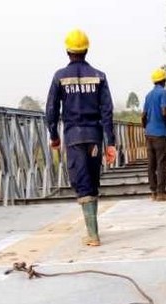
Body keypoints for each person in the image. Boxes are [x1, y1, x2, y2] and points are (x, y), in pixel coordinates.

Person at [46, 29, 116, 246]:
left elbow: (51, 109)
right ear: (86, 49)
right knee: (93, 180)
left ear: (68, 50)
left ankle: (93, 235)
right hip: (95, 136)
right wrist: (111, 143)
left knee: (81, 180)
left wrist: (54, 135)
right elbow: (107, 111)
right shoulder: (99, 76)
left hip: (74, 136)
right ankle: (92, 232)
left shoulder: (59, 77)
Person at [141, 68, 166, 202]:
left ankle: (153, 192)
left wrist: (147, 128)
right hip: (160, 134)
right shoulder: (163, 92)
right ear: (163, 80)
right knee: (161, 163)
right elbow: (164, 112)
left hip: (149, 134)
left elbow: (143, 116)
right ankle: (161, 193)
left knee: (151, 164)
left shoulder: (148, 95)